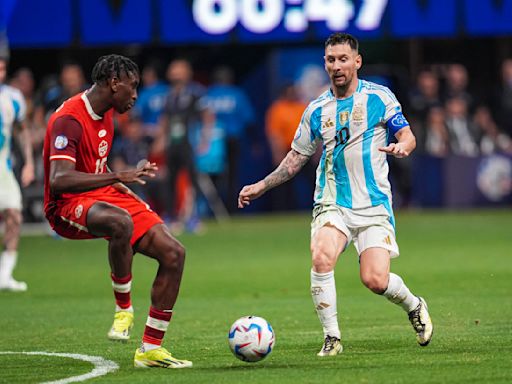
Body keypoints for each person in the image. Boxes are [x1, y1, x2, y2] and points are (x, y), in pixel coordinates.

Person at [238, 33, 433, 356]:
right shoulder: (316, 109)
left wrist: (402, 147)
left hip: (373, 204)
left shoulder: (379, 98)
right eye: (331, 60)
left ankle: (414, 305)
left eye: (343, 59)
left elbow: (407, 135)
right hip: (332, 201)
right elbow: (296, 157)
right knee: (322, 255)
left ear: (357, 62)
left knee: (374, 280)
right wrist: (261, 185)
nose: (337, 66)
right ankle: (332, 337)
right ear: (325, 64)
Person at [43, 54, 191, 369]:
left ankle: (150, 350)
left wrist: (120, 182)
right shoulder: (68, 119)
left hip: (102, 192)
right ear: (114, 83)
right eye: (132, 87)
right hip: (67, 202)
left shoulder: (107, 115)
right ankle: (124, 309)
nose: (136, 95)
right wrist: (116, 176)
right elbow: (59, 180)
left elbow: (94, 165)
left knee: (174, 253)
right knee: (120, 222)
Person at [0, 56, 35, 291]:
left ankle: (5, 274)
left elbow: (22, 132)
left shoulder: (13, 98)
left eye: (2, 68)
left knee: (14, 215)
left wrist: (29, 163)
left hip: (3, 165)